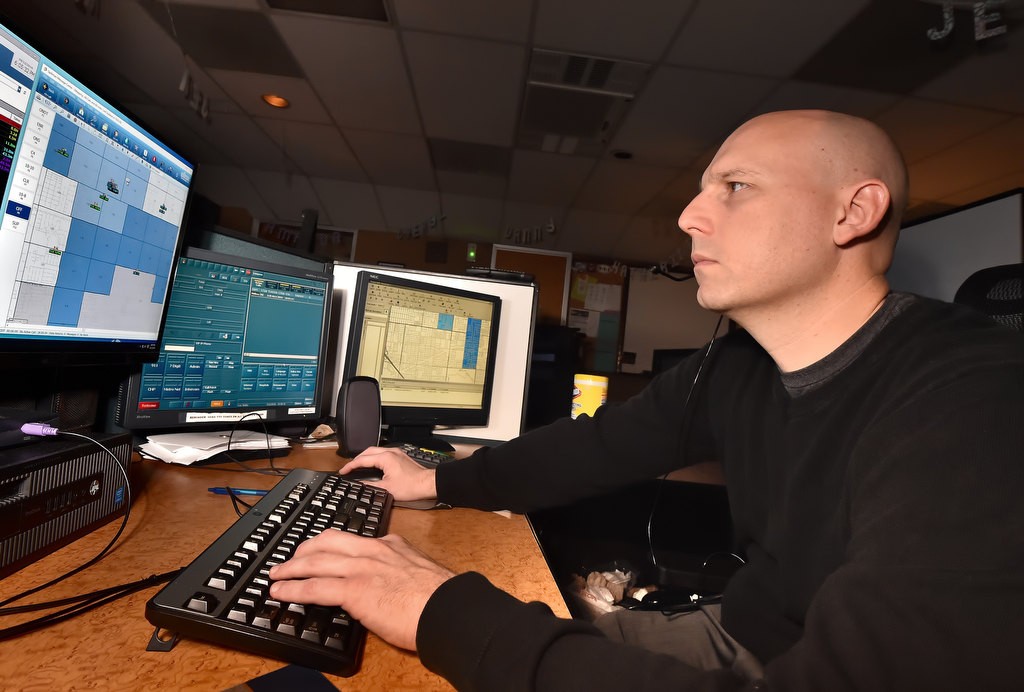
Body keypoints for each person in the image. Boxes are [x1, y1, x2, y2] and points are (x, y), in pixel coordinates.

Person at [268, 110, 1024, 690]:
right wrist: (433, 480)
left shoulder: (974, 399)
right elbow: (598, 446)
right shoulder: (736, 366)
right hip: (747, 637)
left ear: (852, 214)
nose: (690, 216)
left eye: (734, 187)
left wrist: (443, 610)